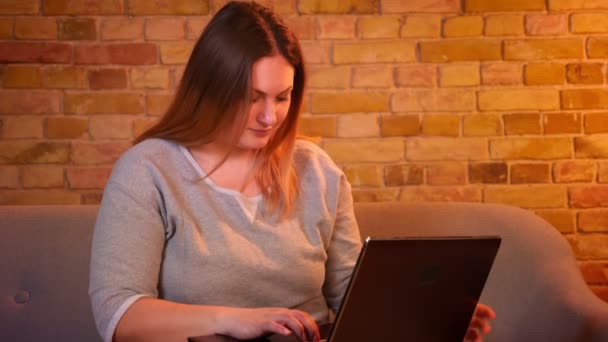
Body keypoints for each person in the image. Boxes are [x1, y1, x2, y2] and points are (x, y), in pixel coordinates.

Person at [89, 2, 495, 342]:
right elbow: (119, 314)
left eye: (282, 97)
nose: (270, 117)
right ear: (211, 90)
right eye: (252, 98)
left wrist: (425, 320)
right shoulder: (149, 169)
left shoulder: (317, 169)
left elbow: (351, 297)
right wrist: (234, 319)